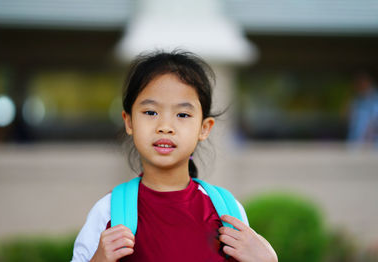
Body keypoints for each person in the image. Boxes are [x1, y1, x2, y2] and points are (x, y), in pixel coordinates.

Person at [71, 50, 277, 262]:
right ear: (129, 122)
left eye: (182, 115)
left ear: (204, 128)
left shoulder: (227, 213)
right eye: (151, 112)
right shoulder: (108, 212)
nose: (165, 127)